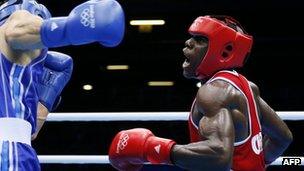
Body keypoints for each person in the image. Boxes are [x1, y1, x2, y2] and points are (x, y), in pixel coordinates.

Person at [109, 15, 293, 171]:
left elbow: (219, 155)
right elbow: (283, 138)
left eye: (200, 39)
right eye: (192, 37)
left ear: (225, 51)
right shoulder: (248, 87)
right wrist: (257, 165)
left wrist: (153, 149)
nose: (188, 43)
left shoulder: (213, 92)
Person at [0, 0, 125, 170]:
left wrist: (43, 102)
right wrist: (67, 28)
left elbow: (30, 131)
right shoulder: (20, 14)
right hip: (7, 152)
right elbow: (15, 28)